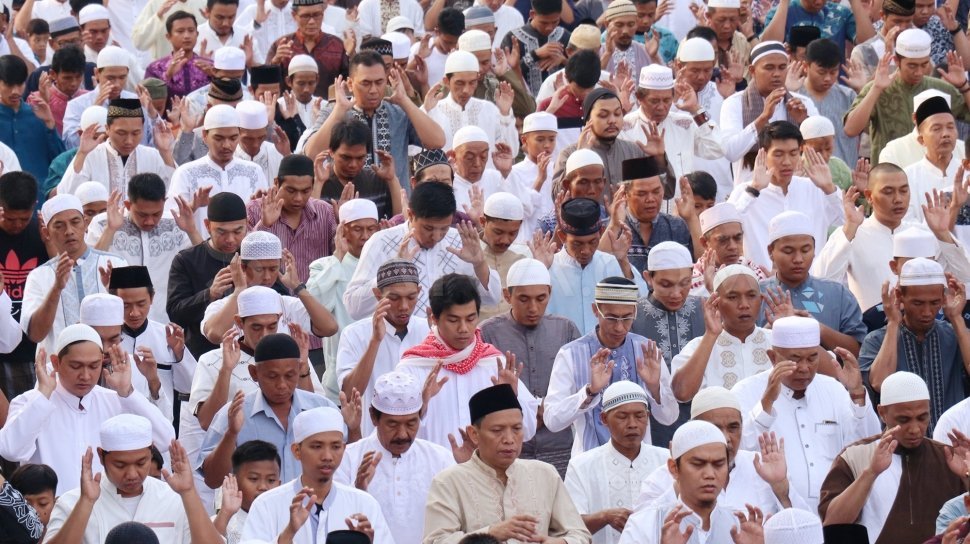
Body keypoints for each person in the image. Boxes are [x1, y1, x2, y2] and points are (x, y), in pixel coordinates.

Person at [0, 324, 175, 495]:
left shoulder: (115, 400)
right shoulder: (31, 402)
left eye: (93, 366)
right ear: (56, 362)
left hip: (106, 515)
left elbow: (166, 439)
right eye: (76, 366)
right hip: (51, 517)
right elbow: (10, 450)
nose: (85, 376)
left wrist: (128, 392)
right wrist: (43, 394)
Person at [731, 316, 881, 511]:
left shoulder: (833, 389)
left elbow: (866, 444)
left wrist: (857, 394)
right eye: (794, 359)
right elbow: (739, 453)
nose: (804, 368)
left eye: (812, 358)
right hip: (774, 512)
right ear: (773, 357)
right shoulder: (745, 392)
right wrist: (766, 404)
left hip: (835, 511)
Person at [424, 383, 591, 543]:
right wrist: (490, 533)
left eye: (517, 429)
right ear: (474, 434)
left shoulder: (545, 473)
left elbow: (579, 534)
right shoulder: (448, 482)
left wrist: (561, 542)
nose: (509, 440)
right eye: (497, 431)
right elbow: (436, 541)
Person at [819, 371, 969, 544]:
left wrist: (967, 475)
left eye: (922, 418)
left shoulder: (947, 457)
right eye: (904, 420)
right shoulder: (855, 456)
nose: (915, 429)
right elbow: (832, 523)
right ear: (882, 412)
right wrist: (871, 473)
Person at [396, 273, 540, 447]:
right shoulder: (414, 367)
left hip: (485, 473)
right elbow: (397, 438)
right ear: (433, 318)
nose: (463, 329)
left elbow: (528, 430)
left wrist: (512, 397)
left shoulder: (494, 364)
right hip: (433, 472)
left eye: (470, 319)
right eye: (453, 320)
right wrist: (421, 406)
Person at [545, 276, 677, 455]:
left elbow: (669, 418)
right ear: (595, 310)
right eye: (611, 318)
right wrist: (590, 392)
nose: (620, 328)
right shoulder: (570, 354)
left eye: (627, 318)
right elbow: (552, 420)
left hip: (639, 464)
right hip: (589, 465)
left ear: (635, 312)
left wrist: (654, 388)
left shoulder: (646, 350)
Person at [813, 164, 970, 312]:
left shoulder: (922, 233)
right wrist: (849, 229)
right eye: (888, 192)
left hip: (924, 330)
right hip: (871, 331)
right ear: (869, 196)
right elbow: (821, 280)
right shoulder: (853, 233)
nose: (898, 199)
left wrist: (942, 233)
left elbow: (965, 275)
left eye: (903, 191)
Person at [43, 415, 222, 543]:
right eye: (120, 465)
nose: (132, 475)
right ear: (101, 456)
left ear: (151, 452)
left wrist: (189, 493)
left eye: (141, 463)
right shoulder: (73, 502)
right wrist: (86, 503)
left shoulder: (175, 499)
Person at [199, 333, 343, 487]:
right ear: (254, 373)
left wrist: (354, 429)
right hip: (253, 510)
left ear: (299, 369)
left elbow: (350, 464)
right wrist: (231, 434)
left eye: (289, 376)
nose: (282, 385)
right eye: (272, 376)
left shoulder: (323, 409)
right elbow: (212, 480)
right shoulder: (234, 414)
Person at [636, 386, 807, 515]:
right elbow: (641, 531)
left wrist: (780, 485)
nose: (726, 438)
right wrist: (681, 483)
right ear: (693, 428)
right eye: (715, 428)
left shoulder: (762, 467)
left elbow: (804, 531)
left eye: (733, 427)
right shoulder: (661, 480)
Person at [344, 181, 502, 321]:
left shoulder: (461, 241)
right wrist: (393, 272)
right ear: (411, 215)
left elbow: (493, 299)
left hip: (449, 345)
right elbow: (353, 308)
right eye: (428, 228)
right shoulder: (381, 242)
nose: (436, 236)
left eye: (444, 229)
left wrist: (479, 263)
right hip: (399, 345)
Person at [481, 258, 580, 475]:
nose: (533, 308)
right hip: (510, 449)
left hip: (560, 446)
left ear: (550, 294)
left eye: (540, 298)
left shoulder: (566, 330)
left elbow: (580, 385)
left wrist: (550, 409)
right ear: (507, 296)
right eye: (524, 299)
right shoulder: (488, 333)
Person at [241, 406, 392, 543]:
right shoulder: (267, 504)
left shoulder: (364, 503)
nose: (327, 456)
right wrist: (289, 533)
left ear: (344, 449)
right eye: (317, 446)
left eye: (335, 446)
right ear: (297, 451)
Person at [335, 372, 454, 544]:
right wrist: (358, 490)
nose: (403, 434)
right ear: (374, 417)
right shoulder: (347, 459)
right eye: (392, 424)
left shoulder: (440, 458)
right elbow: (335, 522)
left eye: (411, 423)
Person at [859, 258, 970, 431]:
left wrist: (956, 318)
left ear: (943, 298)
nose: (927, 312)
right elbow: (879, 383)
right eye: (918, 303)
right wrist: (893, 323)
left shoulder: (955, 334)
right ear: (900, 296)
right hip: (900, 448)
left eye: (934, 303)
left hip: (954, 443)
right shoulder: (877, 339)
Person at [20, 194, 127, 357]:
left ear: (85, 223)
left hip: (112, 364)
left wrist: (114, 292)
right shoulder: (38, 276)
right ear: (46, 233)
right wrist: (56, 289)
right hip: (59, 372)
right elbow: (35, 334)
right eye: (59, 226)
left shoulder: (115, 263)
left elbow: (135, 318)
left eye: (75, 222)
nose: (69, 231)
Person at [86, 174, 201, 324]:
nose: (149, 221)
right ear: (128, 205)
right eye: (142, 214)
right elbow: (89, 267)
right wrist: (111, 229)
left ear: (164, 203)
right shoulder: (103, 223)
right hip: (117, 321)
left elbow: (202, 264)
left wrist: (192, 231)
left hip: (165, 322)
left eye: (156, 214)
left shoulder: (176, 225)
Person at [728, 121, 844, 269]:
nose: (787, 162)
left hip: (812, 286)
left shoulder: (817, 189)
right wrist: (754, 190)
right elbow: (727, 230)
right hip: (762, 286)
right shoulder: (745, 192)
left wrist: (830, 189)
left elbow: (851, 225)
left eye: (793, 153)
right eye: (779, 154)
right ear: (763, 153)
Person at [564, 381, 669, 544]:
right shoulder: (581, 466)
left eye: (639, 416)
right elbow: (568, 527)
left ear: (647, 417)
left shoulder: (667, 461)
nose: (632, 424)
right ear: (604, 419)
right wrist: (604, 517)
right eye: (622, 416)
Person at [844, 28, 970, 163]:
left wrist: (964, 86)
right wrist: (876, 89)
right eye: (912, 65)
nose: (918, 72)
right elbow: (851, 129)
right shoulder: (879, 88)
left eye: (924, 65)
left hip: (936, 175)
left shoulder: (940, 89)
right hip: (890, 175)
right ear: (897, 61)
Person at [336, 259, 429, 436]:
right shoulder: (354, 334)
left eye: (411, 297)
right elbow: (349, 396)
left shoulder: (429, 330)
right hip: (372, 440)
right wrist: (375, 341)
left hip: (422, 440)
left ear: (419, 292)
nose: (404, 306)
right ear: (378, 295)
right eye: (393, 298)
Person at [199, 232, 338, 347]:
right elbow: (215, 335)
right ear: (243, 267)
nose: (267, 277)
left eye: (273, 269)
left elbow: (329, 327)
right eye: (259, 269)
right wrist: (239, 291)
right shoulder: (222, 306)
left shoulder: (287, 304)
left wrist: (298, 287)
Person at [760, 211, 867, 355]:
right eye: (788, 251)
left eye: (805, 250)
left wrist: (816, 328)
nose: (798, 259)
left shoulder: (837, 294)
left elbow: (858, 350)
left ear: (814, 250)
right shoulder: (755, 294)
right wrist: (772, 329)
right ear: (770, 251)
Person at [618, 420, 743, 543]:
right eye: (698, 464)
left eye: (718, 464)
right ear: (674, 468)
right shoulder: (645, 525)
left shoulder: (740, 524)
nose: (710, 474)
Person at [632, 242, 706, 446]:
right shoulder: (631, 315)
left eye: (684, 283)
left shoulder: (704, 309)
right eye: (666, 284)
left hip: (700, 418)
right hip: (652, 425)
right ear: (648, 278)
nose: (676, 293)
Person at [306, 198, 379, 399]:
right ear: (343, 231)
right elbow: (314, 306)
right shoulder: (324, 266)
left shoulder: (386, 265)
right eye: (357, 229)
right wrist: (338, 257)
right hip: (340, 380)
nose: (365, 236)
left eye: (371, 229)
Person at [109, 265, 199, 426]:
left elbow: (191, 387)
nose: (134, 313)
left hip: (159, 426)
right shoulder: (105, 340)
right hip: (115, 422)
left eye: (141, 304)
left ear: (152, 298)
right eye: (125, 305)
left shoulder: (167, 336)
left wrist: (180, 354)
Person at [720, 41, 818, 181]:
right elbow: (731, 152)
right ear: (752, 71)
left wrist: (804, 121)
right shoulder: (734, 103)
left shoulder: (803, 103)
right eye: (769, 68)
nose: (777, 74)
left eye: (782, 67)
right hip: (752, 192)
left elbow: (821, 151)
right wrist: (763, 118)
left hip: (796, 189)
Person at [546, 199, 647, 333]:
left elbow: (642, 304)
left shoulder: (611, 263)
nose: (586, 250)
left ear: (601, 232)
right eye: (577, 244)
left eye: (593, 242)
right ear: (562, 236)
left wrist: (623, 261)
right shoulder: (549, 267)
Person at [167, 192, 248, 359]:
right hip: (203, 355)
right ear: (207, 225)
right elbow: (175, 313)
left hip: (250, 354)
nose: (230, 239)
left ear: (247, 225)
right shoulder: (186, 261)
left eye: (238, 231)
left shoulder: (254, 257)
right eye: (222, 232)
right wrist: (209, 294)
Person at [671, 265, 773, 398]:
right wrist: (711, 335)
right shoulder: (699, 346)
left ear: (761, 300)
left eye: (751, 296)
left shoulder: (775, 341)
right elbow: (681, 393)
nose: (744, 304)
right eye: (733, 297)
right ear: (716, 302)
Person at [167, 104, 269, 234]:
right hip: (200, 251)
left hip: (244, 253)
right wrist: (194, 206)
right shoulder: (185, 173)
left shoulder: (254, 171)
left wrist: (257, 208)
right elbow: (170, 221)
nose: (226, 145)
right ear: (205, 135)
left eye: (233, 138)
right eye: (219, 138)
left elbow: (263, 221)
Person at [621, 65, 724, 186]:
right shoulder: (625, 128)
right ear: (639, 98)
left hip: (682, 202)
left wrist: (696, 110)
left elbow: (717, 149)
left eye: (666, 100)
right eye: (654, 101)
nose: (661, 107)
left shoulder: (685, 124)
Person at [57, 98, 175, 199]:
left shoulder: (153, 156)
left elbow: (173, 195)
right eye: (121, 133)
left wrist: (165, 153)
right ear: (107, 129)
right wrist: (82, 153)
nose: (129, 141)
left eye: (135, 133)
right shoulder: (90, 155)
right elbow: (67, 195)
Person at [246, 153, 336, 284]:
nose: (298, 198)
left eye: (305, 191)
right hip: (271, 299)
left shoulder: (325, 212)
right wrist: (264, 225)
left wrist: (346, 224)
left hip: (314, 299)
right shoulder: (254, 210)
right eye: (291, 190)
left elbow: (339, 255)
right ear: (276, 183)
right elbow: (243, 259)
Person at [0, 171, 50, 399]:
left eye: (24, 217)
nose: (18, 224)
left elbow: (58, 273)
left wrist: (50, 244)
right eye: (10, 219)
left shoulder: (41, 231)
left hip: (30, 344)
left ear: (35, 206)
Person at [551, 89, 656, 193]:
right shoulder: (569, 154)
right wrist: (579, 157)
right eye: (603, 115)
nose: (612, 121)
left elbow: (666, 191)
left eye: (617, 113)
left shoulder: (634, 151)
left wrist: (659, 157)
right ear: (587, 120)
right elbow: (557, 196)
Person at [426, 50, 518, 158]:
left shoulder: (489, 110)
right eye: (460, 83)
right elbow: (413, 150)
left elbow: (512, 152)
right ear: (446, 81)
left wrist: (505, 114)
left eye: (472, 82)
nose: (466, 90)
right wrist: (425, 112)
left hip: (487, 175)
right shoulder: (434, 111)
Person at [618, 156, 696, 273]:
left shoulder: (676, 227)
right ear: (625, 194)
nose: (650, 199)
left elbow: (700, 267)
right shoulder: (614, 228)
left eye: (656, 192)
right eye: (642, 193)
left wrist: (691, 218)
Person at [63, 46, 149, 151]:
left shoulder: (136, 101)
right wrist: (94, 110)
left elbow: (147, 141)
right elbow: (70, 144)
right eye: (111, 78)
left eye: (122, 77)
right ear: (97, 74)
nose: (117, 84)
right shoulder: (77, 105)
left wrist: (152, 114)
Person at [315, 118, 402, 220]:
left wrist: (392, 180)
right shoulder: (320, 184)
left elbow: (401, 221)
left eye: (360, 158)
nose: (353, 165)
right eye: (346, 157)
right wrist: (318, 183)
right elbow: (310, 226)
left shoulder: (376, 181)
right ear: (331, 152)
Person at [796, 39, 860, 166]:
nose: (828, 78)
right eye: (821, 72)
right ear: (805, 66)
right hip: (804, 176)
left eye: (833, 72)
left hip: (844, 176)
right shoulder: (795, 96)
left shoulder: (848, 96)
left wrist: (863, 90)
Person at [266, 0, 349, 98]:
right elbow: (265, 84)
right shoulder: (282, 45)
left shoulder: (337, 45)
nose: (312, 21)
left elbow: (350, 82)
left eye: (317, 15)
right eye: (305, 16)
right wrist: (275, 62)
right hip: (290, 109)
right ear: (294, 16)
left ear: (323, 15)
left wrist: (351, 54)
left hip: (329, 110)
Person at [0, 55, 64, 183]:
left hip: (38, 195)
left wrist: (50, 123)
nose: (15, 91)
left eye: (20, 84)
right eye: (8, 85)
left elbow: (60, 160)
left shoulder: (39, 114)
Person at [903, 96, 962, 225]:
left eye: (950, 127)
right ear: (921, 140)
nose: (945, 133)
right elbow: (905, 225)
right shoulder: (907, 177)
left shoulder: (966, 174)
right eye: (937, 129)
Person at [689, 202, 767, 297]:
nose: (733, 246)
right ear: (705, 243)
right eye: (723, 240)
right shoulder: (690, 280)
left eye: (737, 238)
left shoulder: (753, 271)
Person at [214, 440, 282, 544]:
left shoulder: (289, 520)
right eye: (254, 479)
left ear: (280, 484)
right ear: (235, 481)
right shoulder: (221, 521)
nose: (263, 487)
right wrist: (225, 513)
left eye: (271, 480)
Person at [501, 0, 571, 96]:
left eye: (555, 22)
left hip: (559, 102)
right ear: (532, 14)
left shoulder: (564, 36)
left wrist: (564, 61)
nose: (549, 27)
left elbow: (580, 71)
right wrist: (535, 55)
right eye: (544, 23)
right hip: (524, 105)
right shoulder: (513, 38)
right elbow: (504, 75)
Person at [477, 193, 530, 319]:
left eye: (512, 233)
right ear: (483, 222)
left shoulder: (524, 256)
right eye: (498, 232)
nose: (505, 240)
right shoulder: (468, 255)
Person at [143, 11, 212, 99]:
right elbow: (148, 100)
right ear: (168, 37)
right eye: (180, 31)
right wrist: (167, 75)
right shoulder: (155, 68)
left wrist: (214, 76)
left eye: (191, 30)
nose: (187, 36)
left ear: (197, 34)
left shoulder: (208, 66)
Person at [762, 0, 875, 52]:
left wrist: (854, 2)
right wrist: (784, 3)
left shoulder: (841, 13)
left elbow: (869, 43)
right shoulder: (782, 12)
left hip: (833, 85)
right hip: (794, 85)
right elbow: (768, 45)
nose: (819, 2)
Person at [233, 99, 285, 182]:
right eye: (249, 139)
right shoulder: (227, 156)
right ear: (236, 132)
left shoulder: (277, 153)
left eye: (261, 137)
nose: (256, 145)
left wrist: (287, 154)